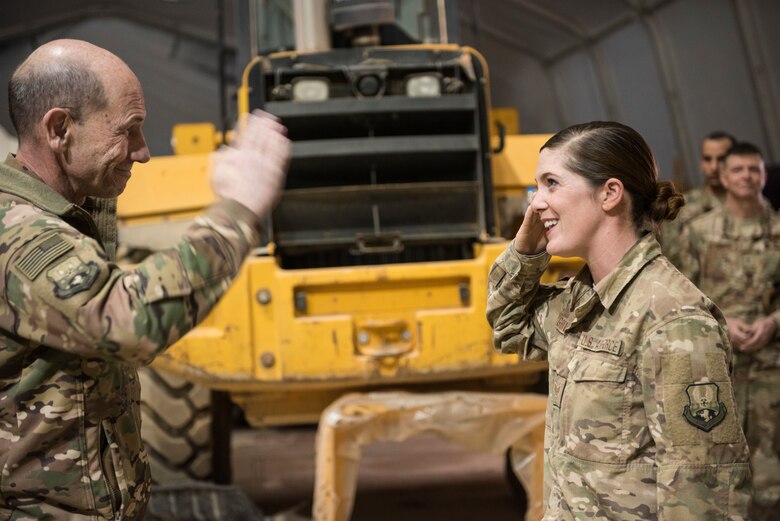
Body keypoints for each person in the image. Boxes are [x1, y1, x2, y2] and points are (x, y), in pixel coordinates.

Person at [0, 40, 290, 519]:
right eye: (128, 130)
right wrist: (238, 210)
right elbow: (126, 321)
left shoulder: (65, 217)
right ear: (59, 129)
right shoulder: (18, 234)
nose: (143, 152)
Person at [486, 121, 751, 519]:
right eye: (537, 187)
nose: (536, 203)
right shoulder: (581, 300)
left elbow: (702, 492)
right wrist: (525, 253)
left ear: (609, 193)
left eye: (551, 183)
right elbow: (508, 326)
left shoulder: (673, 320)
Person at [679, 142, 780, 520]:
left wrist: (774, 322)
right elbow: (681, 294)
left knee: (771, 466)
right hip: (718, 366)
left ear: (764, 175)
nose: (746, 177)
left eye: (754, 169)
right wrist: (722, 322)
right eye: (738, 170)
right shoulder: (698, 232)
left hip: (771, 366)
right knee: (713, 459)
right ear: (722, 176)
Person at [659, 130, 736, 268]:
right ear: (701, 163)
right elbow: (671, 259)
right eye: (707, 159)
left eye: (721, 159)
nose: (714, 167)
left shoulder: (749, 205)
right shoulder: (681, 206)